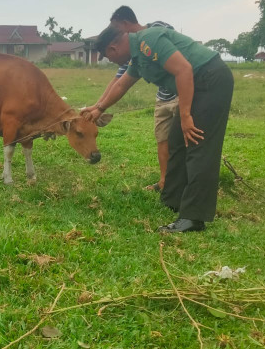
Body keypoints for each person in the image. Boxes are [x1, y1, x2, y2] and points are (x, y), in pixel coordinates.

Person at [82, 23, 234, 233]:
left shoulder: (149, 41)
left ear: (113, 48)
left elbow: (184, 70)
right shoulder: (138, 58)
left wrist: (186, 115)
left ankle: (193, 218)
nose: (112, 62)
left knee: (197, 144)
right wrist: (98, 108)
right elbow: (121, 84)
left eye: (109, 58)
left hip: (210, 80)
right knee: (176, 140)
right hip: (196, 84)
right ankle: (173, 199)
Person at [94, 6, 178, 192]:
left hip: (182, 93)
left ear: (125, 24)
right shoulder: (132, 54)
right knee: (162, 139)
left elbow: (179, 64)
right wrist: (97, 106)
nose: (116, 35)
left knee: (184, 140)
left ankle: (184, 183)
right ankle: (165, 182)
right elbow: (119, 81)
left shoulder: (158, 29)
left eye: (117, 29)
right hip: (163, 97)